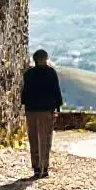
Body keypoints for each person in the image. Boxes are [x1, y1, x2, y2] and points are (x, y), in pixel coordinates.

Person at [20, 49, 63, 179]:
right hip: (46, 110)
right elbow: (56, 91)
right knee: (45, 139)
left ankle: (36, 167)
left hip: (31, 110)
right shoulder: (51, 73)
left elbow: (24, 93)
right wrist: (57, 108)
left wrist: (25, 105)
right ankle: (44, 167)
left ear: (35, 60)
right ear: (45, 58)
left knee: (33, 138)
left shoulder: (28, 74)